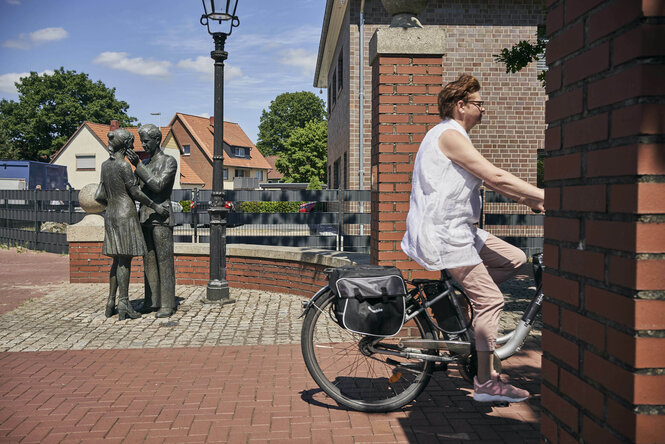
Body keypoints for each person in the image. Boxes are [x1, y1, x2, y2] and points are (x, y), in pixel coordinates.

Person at [401, 74, 544, 403]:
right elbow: (493, 176)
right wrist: (539, 195)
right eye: (479, 104)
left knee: (514, 259)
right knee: (491, 300)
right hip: (445, 233)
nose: (484, 110)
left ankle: (462, 299)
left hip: (461, 229)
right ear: (460, 105)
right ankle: (485, 382)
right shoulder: (449, 135)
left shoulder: (451, 135)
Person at [94, 129, 169, 321]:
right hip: (124, 214)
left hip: (110, 214)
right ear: (126, 145)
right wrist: (155, 206)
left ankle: (111, 301)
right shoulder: (124, 166)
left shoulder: (104, 165)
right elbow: (135, 193)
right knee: (124, 261)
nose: (137, 147)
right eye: (134, 143)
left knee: (116, 260)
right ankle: (124, 303)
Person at [125, 124, 177, 318]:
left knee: (164, 261)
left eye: (146, 141)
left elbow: (158, 185)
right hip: (145, 216)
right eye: (142, 141)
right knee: (148, 261)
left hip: (161, 216)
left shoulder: (169, 162)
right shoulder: (144, 164)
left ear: (157, 140)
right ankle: (152, 301)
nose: (144, 145)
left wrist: (137, 166)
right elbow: (135, 189)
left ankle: (168, 303)